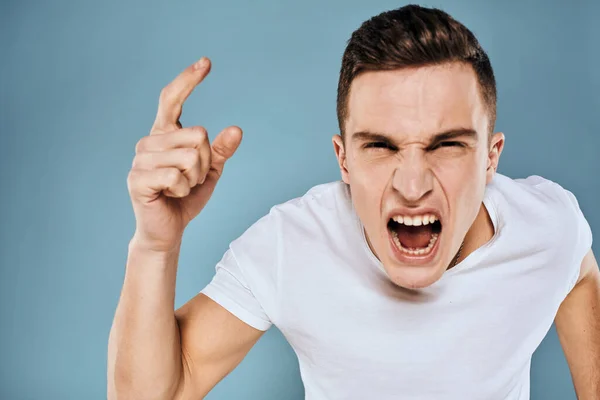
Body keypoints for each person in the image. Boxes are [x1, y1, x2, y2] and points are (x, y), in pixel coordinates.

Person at [107, 4, 599, 400]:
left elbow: (577, 272)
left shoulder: (546, 226)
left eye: (447, 144)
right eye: (381, 146)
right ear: (343, 161)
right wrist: (155, 244)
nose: (412, 186)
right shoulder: (291, 244)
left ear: (491, 159)